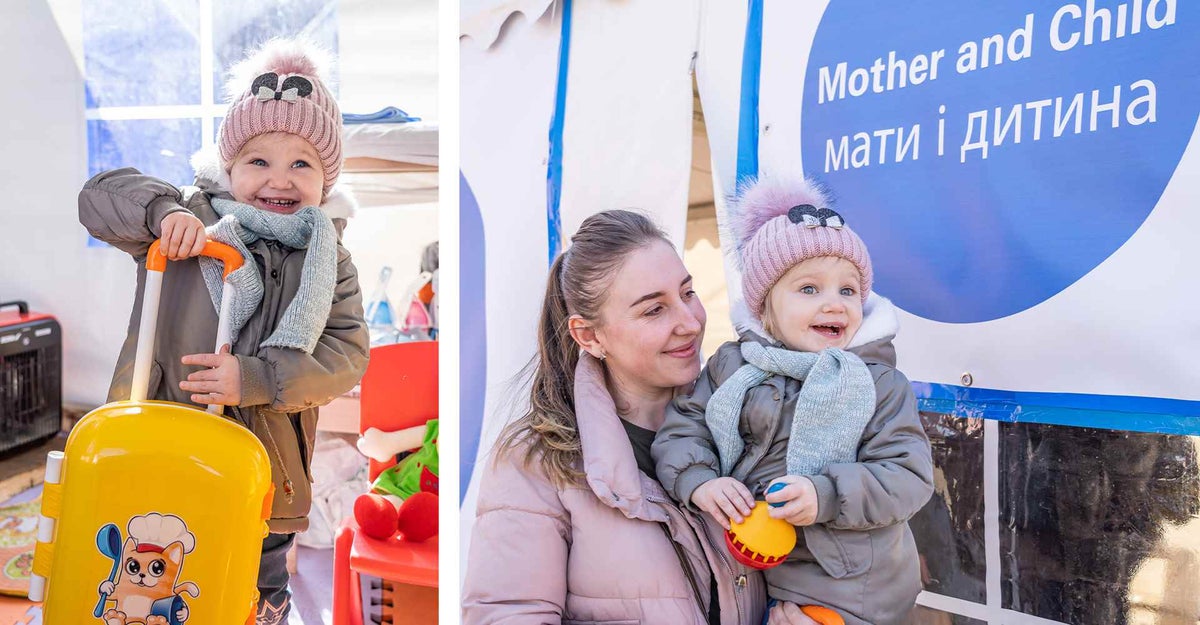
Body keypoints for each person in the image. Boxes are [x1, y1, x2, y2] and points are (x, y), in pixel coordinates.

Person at [79, 39, 369, 624]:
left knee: (254, 586)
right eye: (258, 161)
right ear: (228, 167)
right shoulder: (189, 217)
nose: (279, 181)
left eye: (301, 164)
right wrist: (163, 214)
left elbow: (348, 353)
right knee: (159, 567)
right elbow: (97, 198)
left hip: (267, 464)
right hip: (165, 436)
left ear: (326, 177)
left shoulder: (327, 256)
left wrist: (258, 377)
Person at [463, 210, 822, 624]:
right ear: (589, 335)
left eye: (687, 293)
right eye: (654, 310)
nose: (690, 323)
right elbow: (506, 615)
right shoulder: (537, 462)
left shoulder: (744, 424)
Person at [653, 175, 935, 625]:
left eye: (848, 290)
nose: (835, 304)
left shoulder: (878, 383)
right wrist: (700, 480)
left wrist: (825, 494)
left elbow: (907, 475)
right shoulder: (733, 368)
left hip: (848, 587)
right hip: (749, 568)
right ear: (765, 308)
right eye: (809, 289)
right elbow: (685, 427)